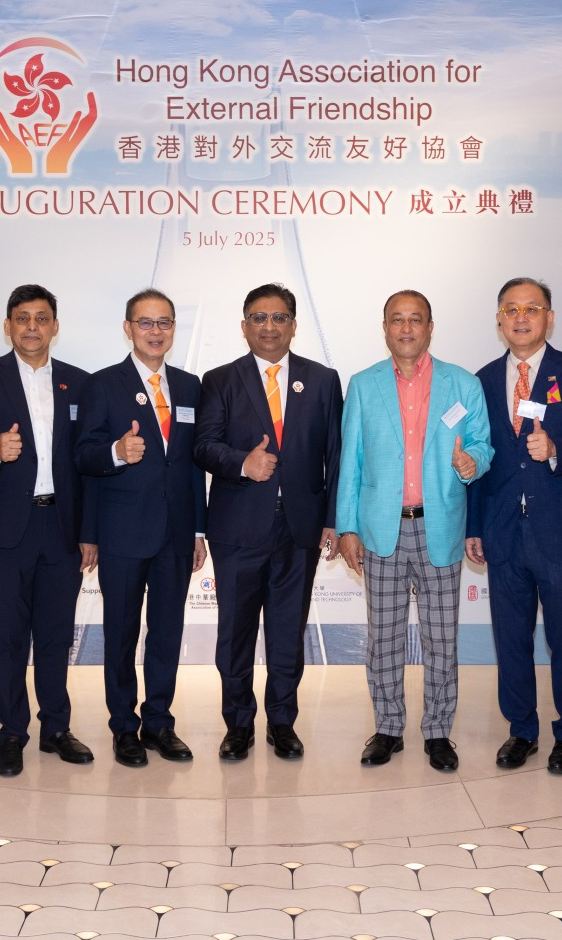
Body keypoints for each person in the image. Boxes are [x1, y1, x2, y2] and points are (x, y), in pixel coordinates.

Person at [335, 291, 493, 772]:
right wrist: (347, 527)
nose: (406, 329)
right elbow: (350, 460)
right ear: (385, 327)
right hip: (380, 529)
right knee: (383, 638)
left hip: (439, 526)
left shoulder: (462, 383)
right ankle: (387, 728)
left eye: (416, 320)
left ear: (430, 327)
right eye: (397, 320)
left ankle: (438, 731)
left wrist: (472, 462)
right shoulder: (363, 384)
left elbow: (483, 444)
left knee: (441, 639)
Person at [466, 277, 562, 775]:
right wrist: (473, 526)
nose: (521, 317)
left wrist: (555, 450)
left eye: (532, 308)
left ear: (550, 317)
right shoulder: (481, 381)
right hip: (502, 529)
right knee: (511, 638)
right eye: (511, 309)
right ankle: (521, 729)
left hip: (559, 530)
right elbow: (477, 459)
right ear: (499, 320)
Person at [195, 282, 343, 762]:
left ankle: (282, 722)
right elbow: (204, 446)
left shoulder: (322, 380)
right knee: (235, 634)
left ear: (294, 326)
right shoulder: (220, 380)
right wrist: (243, 463)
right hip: (238, 528)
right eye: (259, 318)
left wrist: (333, 519)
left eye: (279, 317)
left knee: (286, 632)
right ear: (244, 327)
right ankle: (238, 724)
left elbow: (336, 454)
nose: (269, 326)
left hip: (300, 529)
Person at [0, 283, 94, 777]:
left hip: (62, 527)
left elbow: (87, 464)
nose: (32, 327)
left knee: (56, 635)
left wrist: (89, 531)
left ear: (55, 326)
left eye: (41, 318)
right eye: (22, 318)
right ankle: (12, 731)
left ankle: (56, 728)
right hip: (6, 529)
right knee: (10, 636)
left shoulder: (80, 383)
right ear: (8, 326)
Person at [75, 288, 207, 767]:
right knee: (121, 633)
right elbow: (83, 456)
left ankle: (159, 723)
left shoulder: (190, 386)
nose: (155, 331)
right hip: (122, 531)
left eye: (164, 322)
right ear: (128, 328)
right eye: (146, 322)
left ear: (174, 329)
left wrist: (198, 531)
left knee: (167, 633)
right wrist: (115, 451)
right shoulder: (102, 385)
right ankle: (123, 727)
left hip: (176, 533)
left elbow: (193, 465)